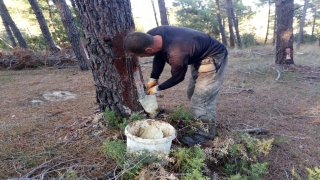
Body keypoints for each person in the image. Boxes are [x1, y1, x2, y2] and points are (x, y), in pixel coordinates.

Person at [123, 25, 228, 146]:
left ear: (148, 50)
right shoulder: (153, 34)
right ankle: (201, 117)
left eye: (141, 56)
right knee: (192, 94)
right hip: (197, 54)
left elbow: (177, 78)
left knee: (201, 100)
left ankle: (205, 134)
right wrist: (153, 78)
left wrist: (157, 89)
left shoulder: (176, 55)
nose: (141, 58)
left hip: (213, 56)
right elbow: (158, 56)